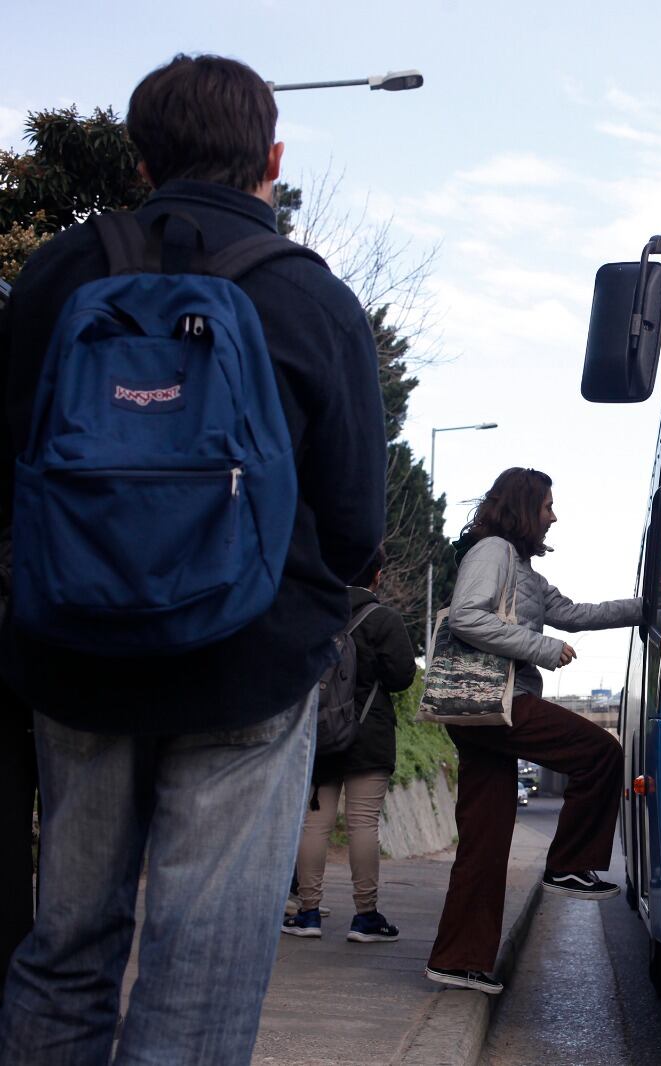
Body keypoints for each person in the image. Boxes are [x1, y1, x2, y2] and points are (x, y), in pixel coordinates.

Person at [0, 55, 385, 1064]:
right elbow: (354, 519)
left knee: (67, 942)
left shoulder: (58, 275)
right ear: (272, 157)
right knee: (197, 966)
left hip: (75, 654)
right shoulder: (308, 297)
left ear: (139, 159)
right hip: (245, 666)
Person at [426, 467, 640, 995]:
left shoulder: (523, 568)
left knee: (486, 839)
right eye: (547, 506)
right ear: (525, 507)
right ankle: (569, 864)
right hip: (497, 701)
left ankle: (458, 960)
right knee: (600, 752)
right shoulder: (492, 551)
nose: (554, 516)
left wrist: (652, 606)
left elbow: (574, 613)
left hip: (486, 712)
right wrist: (542, 649)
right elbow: (466, 619)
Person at [283, 548, 416, 943]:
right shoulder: (384, 620)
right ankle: (366, 917)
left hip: (322, 738)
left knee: (315, 825)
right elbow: (402, 677)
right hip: (368, 737)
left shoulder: (317, 616)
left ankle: (307, 913)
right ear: (377, 575)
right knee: (362, 824)